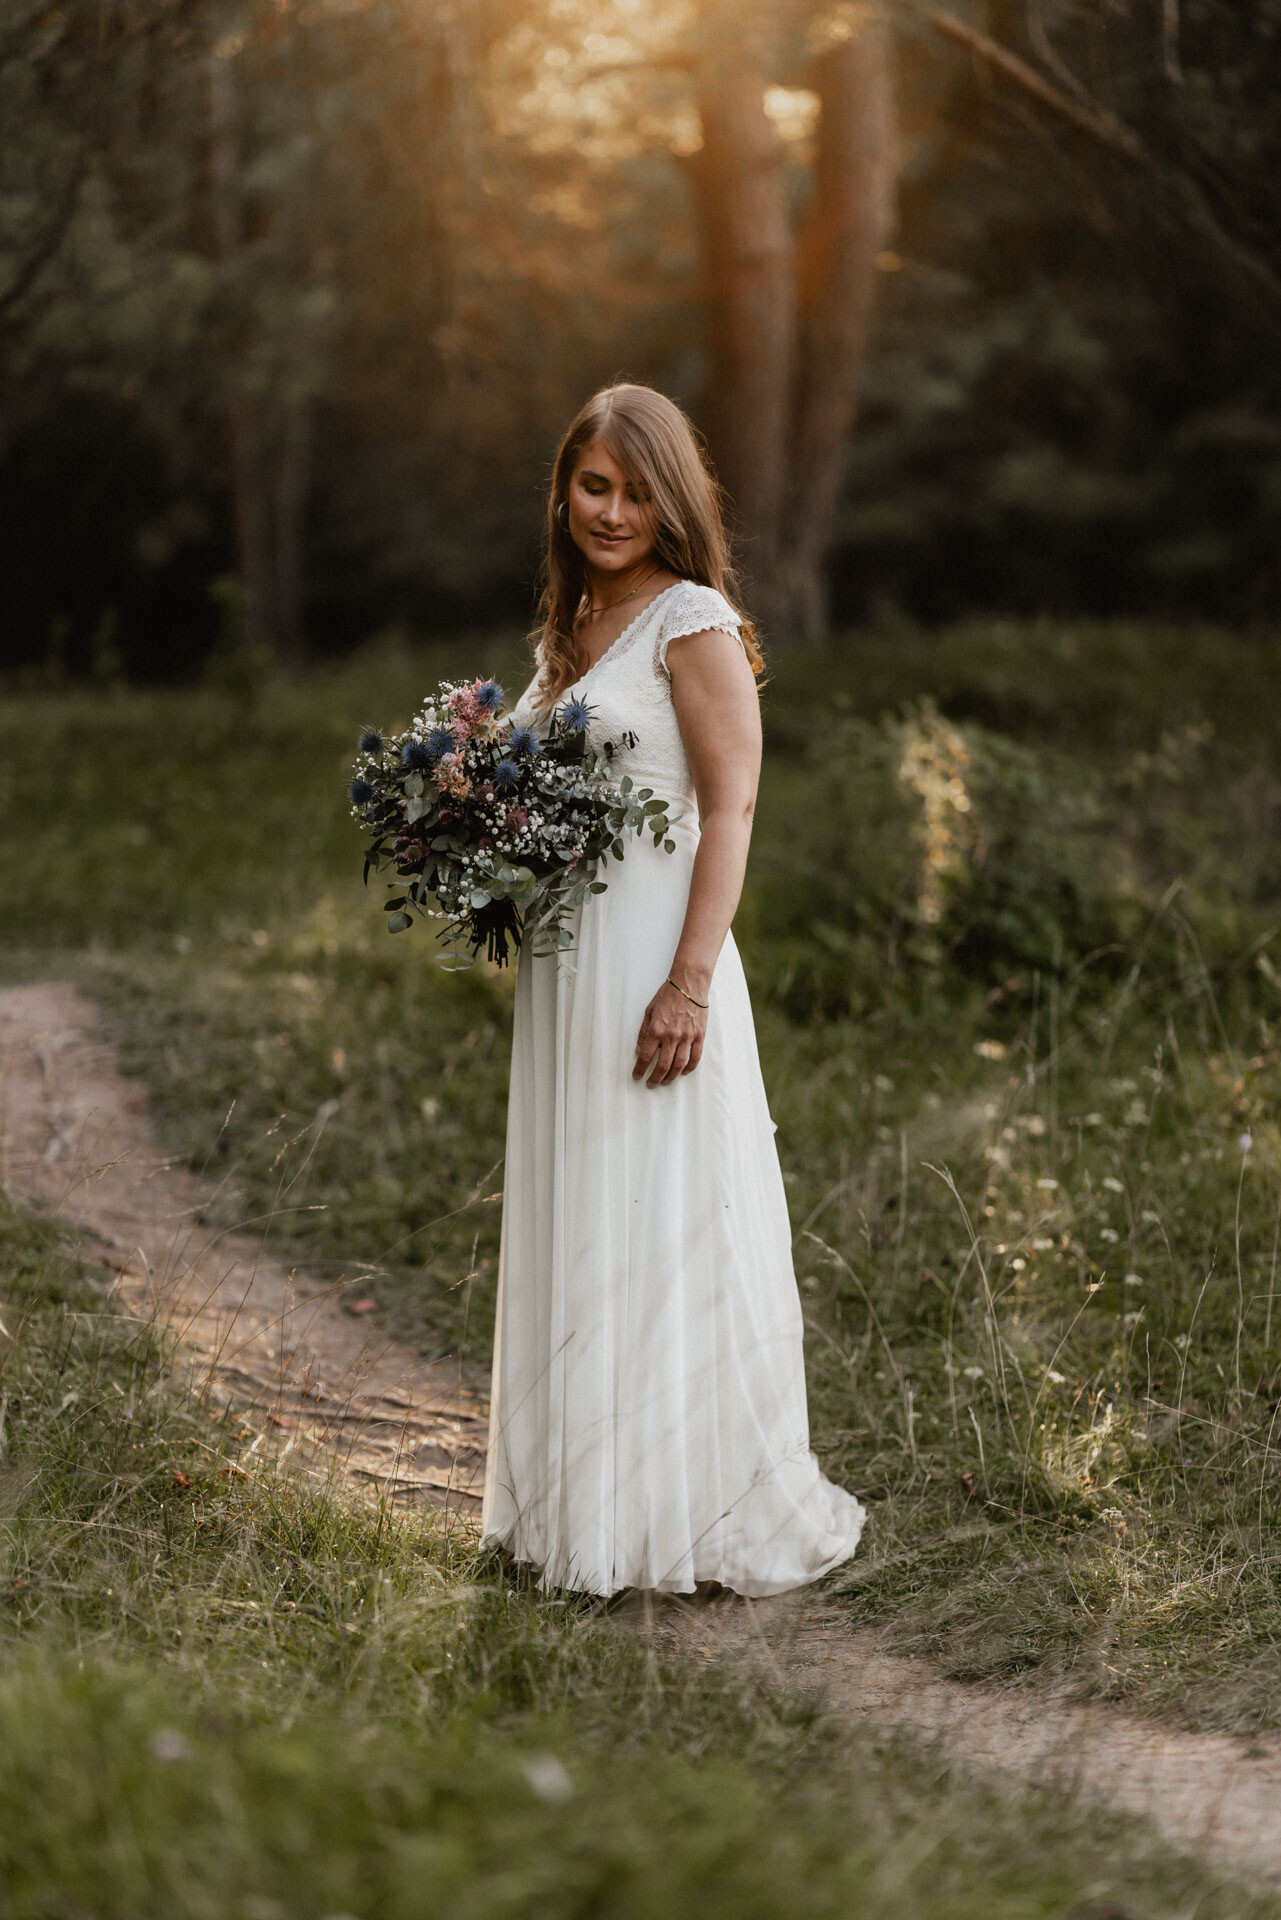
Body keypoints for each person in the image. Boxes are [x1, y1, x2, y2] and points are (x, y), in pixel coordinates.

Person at [479, 382, 865, 1598]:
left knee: (660, 1211)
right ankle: (578, 1509)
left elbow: (732, 805)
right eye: (596, 484)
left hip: (656, 958)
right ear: (565, 488)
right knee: (585, 1205)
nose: (614, 509)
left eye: (640, 490)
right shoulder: (577, 623)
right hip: (568, 969)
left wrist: (689, 983)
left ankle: (682, 1510)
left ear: (675, 500)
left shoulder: (690, 619)